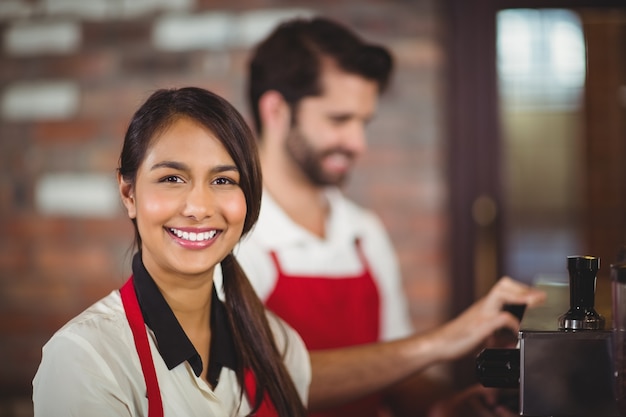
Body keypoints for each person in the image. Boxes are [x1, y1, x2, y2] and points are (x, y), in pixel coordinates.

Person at [234, 16, 545, 417]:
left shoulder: (363, 231)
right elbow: (263, 381)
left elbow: (399, 375)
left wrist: (445, 406)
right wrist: (445, 339)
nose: (358, 143)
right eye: (339, 120)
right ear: (276, 111)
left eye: (364, 122)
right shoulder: (232, 232)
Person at [32, 87, 310, 417]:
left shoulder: (280, 346)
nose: (199, 208)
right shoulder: (85, 359)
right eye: (172, 178)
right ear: (129, 193)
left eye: (223, 181)